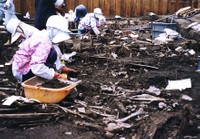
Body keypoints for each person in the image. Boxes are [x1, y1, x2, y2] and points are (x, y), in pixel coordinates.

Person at [11, 15, 76, 83]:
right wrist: (56, 75)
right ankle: (32, 80)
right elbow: (37, 68)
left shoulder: (46, 37)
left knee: (53, 53)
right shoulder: (44, 42)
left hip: (26, 66)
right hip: (22, 71)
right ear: (53, 30)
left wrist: (62, 68)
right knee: (52, 55)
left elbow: (55, 56)